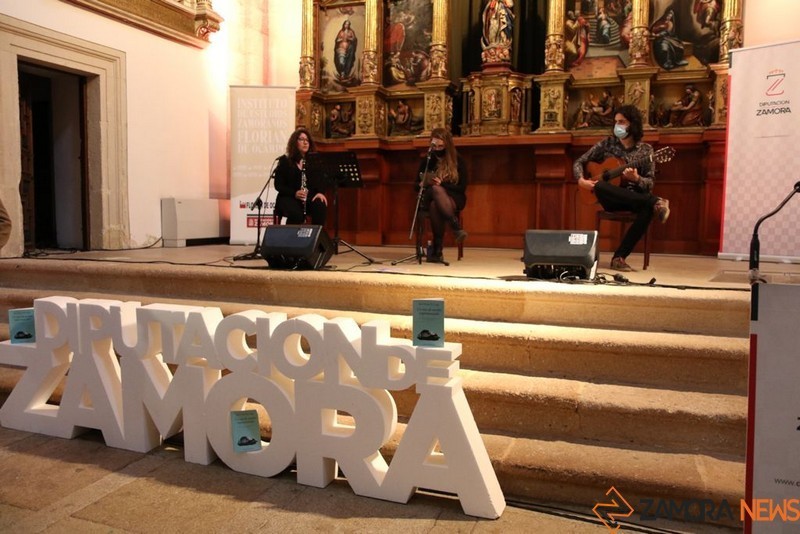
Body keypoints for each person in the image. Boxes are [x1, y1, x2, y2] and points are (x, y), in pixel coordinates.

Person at [574, 105, 671, 272]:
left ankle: (619, 258)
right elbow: (579, 161)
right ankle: (657, 202)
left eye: (622, 122)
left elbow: (650, 183)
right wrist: (581, 180)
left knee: (647, 209)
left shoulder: (646, 150)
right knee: (601, 185)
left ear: (632, 124)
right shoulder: (607, 144)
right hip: (611, 198)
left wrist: (636, 178)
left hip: (634, 198)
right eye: (616, 122)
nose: (617, 126)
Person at [415, 128, 467, 264]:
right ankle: (455, 227)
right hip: (429, 195)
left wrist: (443, 184)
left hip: (453, 197)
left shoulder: (458, 160)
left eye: (441, 146)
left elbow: (462, 187)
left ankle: (437, 251)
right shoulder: (427, 160)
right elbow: (415, 184)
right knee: (435, 191)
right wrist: (421, 183)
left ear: (447, 145)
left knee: (435, 205)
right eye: (435, 146)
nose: (438, 149)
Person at [274, 128, 328, 226]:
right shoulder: (285, 161)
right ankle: (291, 239)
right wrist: (294, 193)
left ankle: (315, 238)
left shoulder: (314, 161)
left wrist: (320, 192)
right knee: (296, 214)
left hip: (308, 197)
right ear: (295, 142)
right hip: (289, 196)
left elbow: (322, 180)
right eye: (301, 139)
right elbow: (278, 185)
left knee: (320, 205)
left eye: (307, 140)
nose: (305, 143)